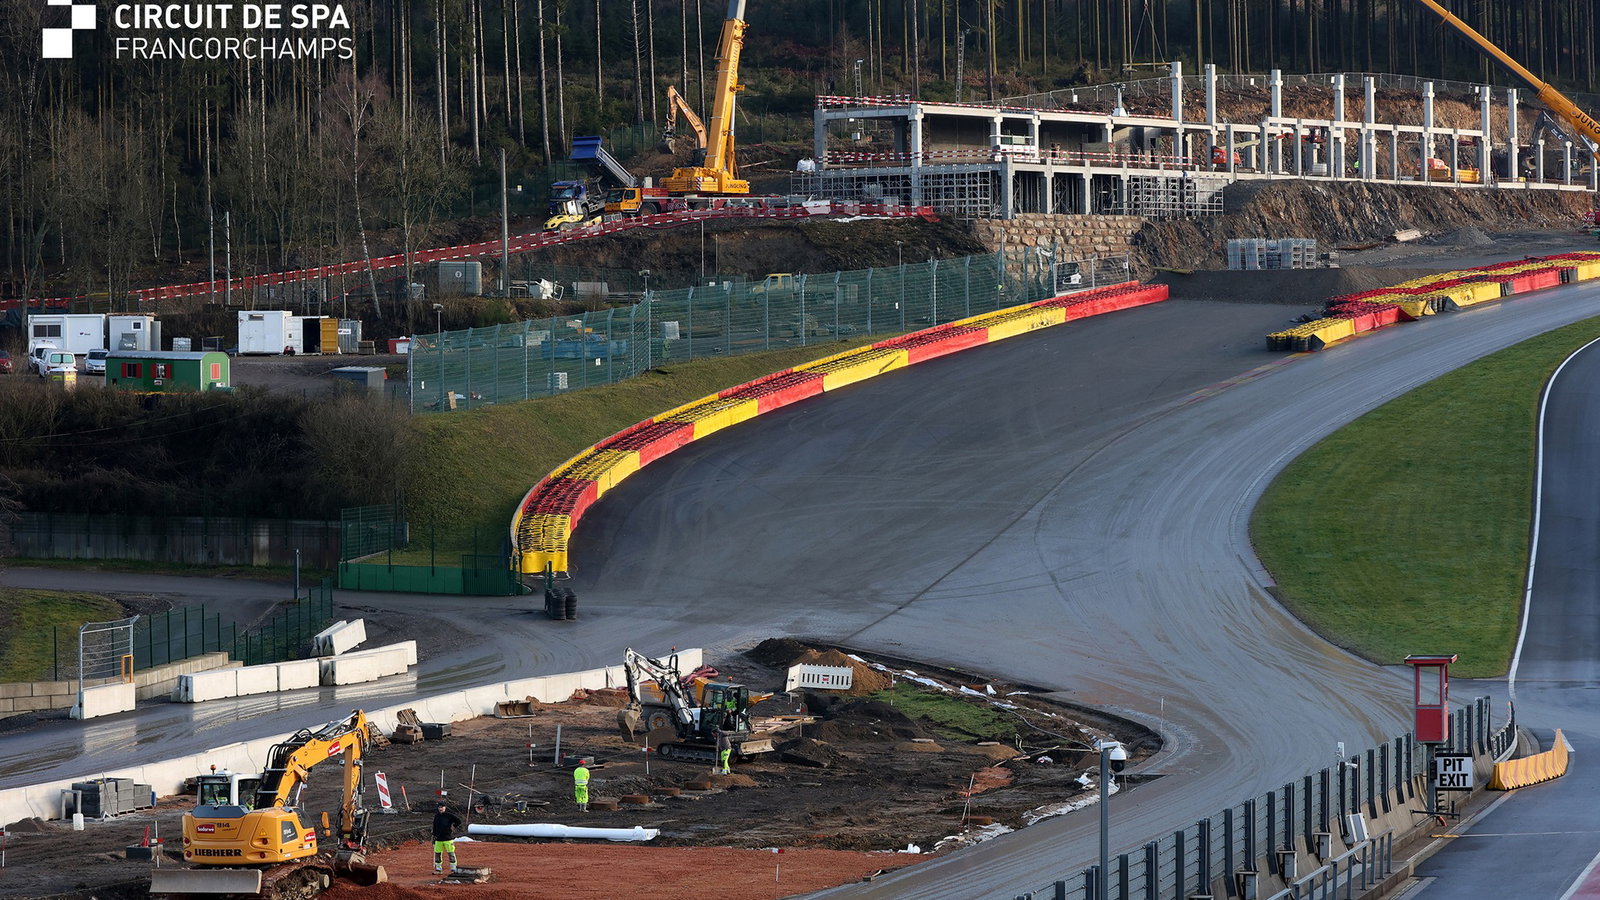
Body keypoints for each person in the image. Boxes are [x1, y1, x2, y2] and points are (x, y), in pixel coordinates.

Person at [431, 802, 463, 876]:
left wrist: (454, 826)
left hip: (448, 839)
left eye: (442, 807)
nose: (440, 808)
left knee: (451, 854)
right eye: (439, 807)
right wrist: (433, 836)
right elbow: (434, 826)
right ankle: (438, 869)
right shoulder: (437, 816)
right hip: (438, 839)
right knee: (437, 854)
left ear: (445, 807)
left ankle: (453, 869)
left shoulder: (449, 816)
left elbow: (458, 821)